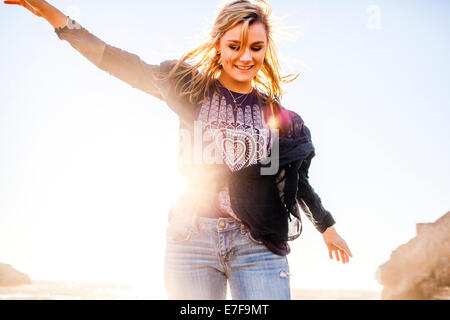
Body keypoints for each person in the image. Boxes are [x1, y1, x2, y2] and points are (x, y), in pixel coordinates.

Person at [4, 0, 353, 300]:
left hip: (258, 246)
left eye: (256, 48)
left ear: (266, 48)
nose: (245, 57)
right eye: (234, 46)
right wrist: (57, 19)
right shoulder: (187, 88)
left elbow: (292, 182)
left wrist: (326, 226)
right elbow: (118, 62)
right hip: (191, 241)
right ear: (218, 44)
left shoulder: (280, 118)